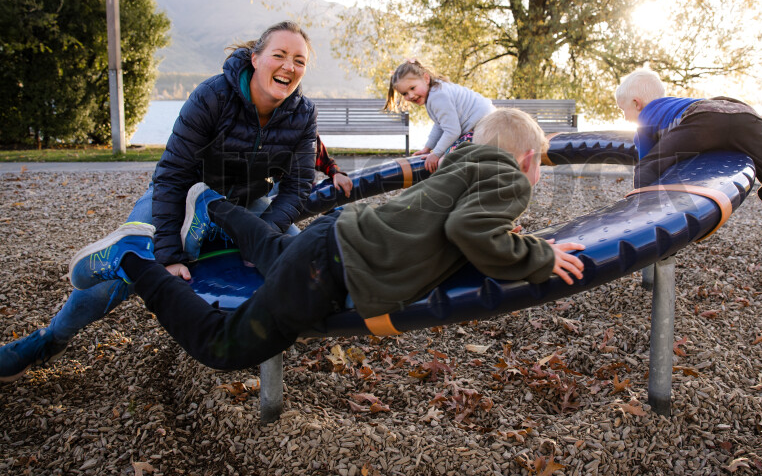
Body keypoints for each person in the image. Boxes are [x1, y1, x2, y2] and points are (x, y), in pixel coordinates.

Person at [65, 109, 586, 371]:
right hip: (333, 269)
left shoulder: (463, 165)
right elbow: (469, 230)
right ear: (529, 159)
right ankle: (134, 260)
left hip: (333, 239)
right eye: (539, 163)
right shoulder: (510, 178)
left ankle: (210, 205)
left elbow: (458, 223)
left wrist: (512, 236)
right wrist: (541, 257)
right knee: (222, 346)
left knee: (272, 251)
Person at [0, 20, 331, 382]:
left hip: (245, 203)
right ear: (255, 58)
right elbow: (173, 172)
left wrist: (262, 234)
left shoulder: (303, 113)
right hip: (183, 191)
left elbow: (298, 185)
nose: (289, 66)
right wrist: (169, 255)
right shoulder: (214, 96)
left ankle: (263, 332)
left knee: (304, 266)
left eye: (299, 60)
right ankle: (49, 340)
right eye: (279, 55)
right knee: (123, 272)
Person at [615, 68, 762, 251]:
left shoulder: (646, 117)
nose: (625, 117)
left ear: (637, 104)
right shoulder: (675, 103)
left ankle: (646, 225)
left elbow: (648, 163)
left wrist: (642, 200)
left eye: (623, 111)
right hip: (747, 115)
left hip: (704, 118)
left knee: (647, 168)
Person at [384, 59, 494, 172]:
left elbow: (452, 131)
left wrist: (436, 154)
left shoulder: (437, 96)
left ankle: (455, 187)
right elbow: (440, 125)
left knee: (445, 161)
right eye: (405, 93)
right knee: (445, 156)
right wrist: (428, 148)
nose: (411, 95)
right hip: (483, 124)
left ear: (426, 78)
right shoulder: (436, 91)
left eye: (412, 88)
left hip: (483, 127)